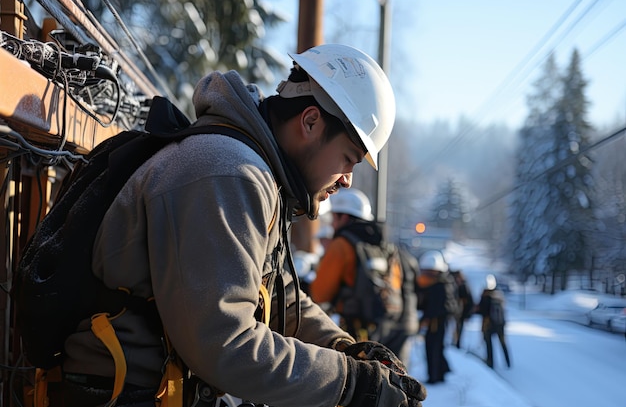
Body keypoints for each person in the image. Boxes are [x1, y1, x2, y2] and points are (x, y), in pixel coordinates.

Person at [60, 44, 426, 407]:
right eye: (349, 159)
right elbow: (224, 344)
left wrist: (347, 350)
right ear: (311, 121)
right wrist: (349, 383)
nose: (347, 180)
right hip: (126, 394)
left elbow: (280, 295)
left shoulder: (255, 171)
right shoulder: (229, 172)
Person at [309, 189, 419, 367]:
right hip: (386, 324)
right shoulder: (386, 246)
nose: (332, 225)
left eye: (334, 218)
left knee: (358, 381)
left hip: (354, 330)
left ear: (344, 217)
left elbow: (320, 294)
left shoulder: (342, 244)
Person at [415, 249, 457, 384]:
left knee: (433, 348)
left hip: (437, 322)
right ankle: (440, 372)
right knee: (436, 348)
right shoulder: (442, 283)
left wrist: (423, 319)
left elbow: (435, 307)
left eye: (430, 273)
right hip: (437, 321)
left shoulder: (440, 286)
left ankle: (435, 376)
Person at [477, 274, 512, 369]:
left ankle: (490, 362)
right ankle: (508, 362)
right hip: (500, 324)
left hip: (489, 324)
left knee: (489, 343)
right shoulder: (499, 295)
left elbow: (482, 311)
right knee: (503, 343)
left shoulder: (485, 297)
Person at [451, 270, 475, 349]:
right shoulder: (454, 286)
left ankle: (457, 344)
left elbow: (469, 301)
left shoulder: (464, 286)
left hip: (461, 312)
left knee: (459, 328)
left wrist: (467, 314)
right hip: (455, 312)